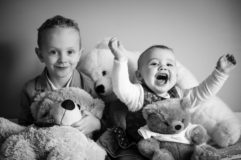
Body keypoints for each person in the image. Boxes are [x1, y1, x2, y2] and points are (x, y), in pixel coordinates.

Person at [103, 37, 236, 159]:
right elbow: (121, 88)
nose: (162, 67)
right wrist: (120, 60)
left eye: (169, 64)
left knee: (201, 150)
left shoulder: (179, 94)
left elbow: (202, 93)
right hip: (149, 149)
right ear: (139, 76)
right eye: (154, 63)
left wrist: (220, 73)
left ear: (176, 76)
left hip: (179, 145)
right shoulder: (138, 95)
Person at [18, 15, 100, 136]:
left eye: (70, 52)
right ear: (40, 55)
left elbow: (107, 121)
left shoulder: (88, 86)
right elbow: (23, 128)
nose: (63, 59)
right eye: (53, 52)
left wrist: (97, 124)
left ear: (79, 54)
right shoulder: (29, 90)